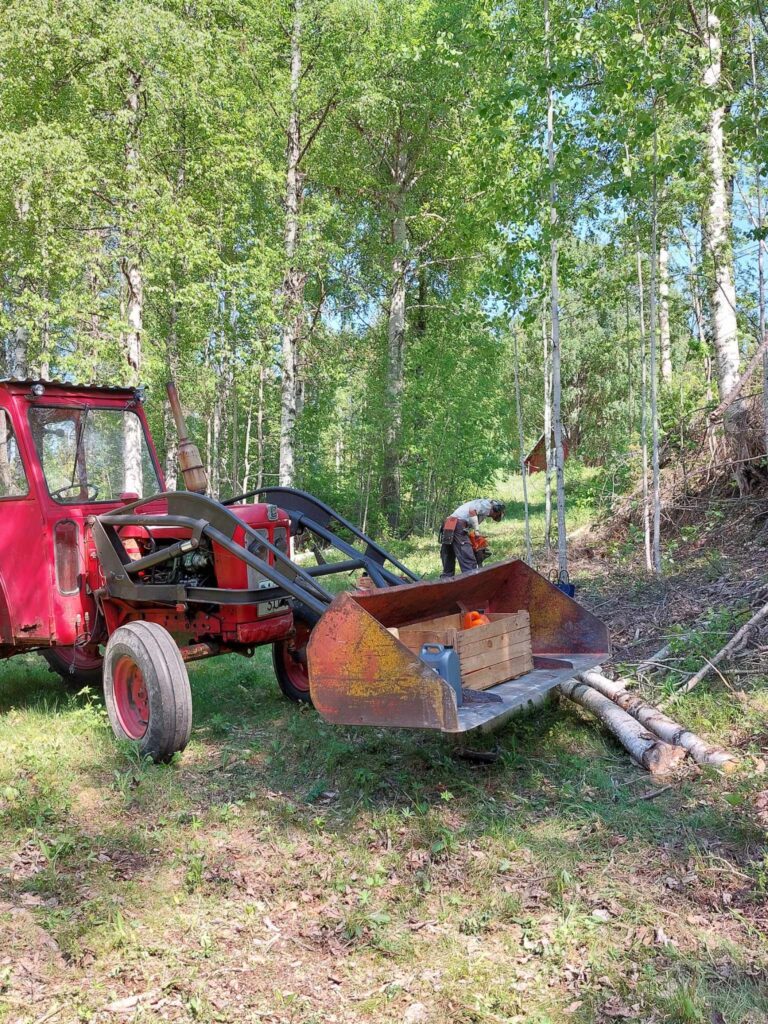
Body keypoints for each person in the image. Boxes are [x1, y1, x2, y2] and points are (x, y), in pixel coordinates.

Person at [439, 498, 506, 578]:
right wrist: (477, 531)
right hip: (458, 525)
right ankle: (472, 580)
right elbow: (472, 511)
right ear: (496, 509)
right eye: (496, 515)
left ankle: (446, 581)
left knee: (448, 557)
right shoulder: (487, 505)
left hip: (449, 524)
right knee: (468, 559)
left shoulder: (481, 506)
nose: (493, 516)